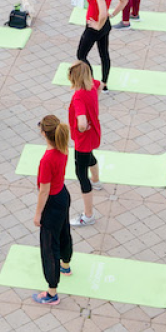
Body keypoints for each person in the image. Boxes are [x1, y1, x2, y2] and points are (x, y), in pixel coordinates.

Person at [31, 114, 74, 305]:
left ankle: (51, 293)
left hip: (52, 203)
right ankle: (66, 265)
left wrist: (38, 213)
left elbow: (44, 191)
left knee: (49, 247)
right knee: (64, 233)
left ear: (43, 133)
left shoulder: (47, 159)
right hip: (63, 196)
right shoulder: (63, 148)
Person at [77, 0, 127, 90]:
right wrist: (113, 14)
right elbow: (124, 0)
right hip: (105, 26)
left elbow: (103, 12)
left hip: (95, 27)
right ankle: (104, 83)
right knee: (104, 54)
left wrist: (97, 25)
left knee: (81, 56)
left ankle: (92, 84)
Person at [67, 61, 103, 227]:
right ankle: (96, 180)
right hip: (94, 133)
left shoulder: (78, 96)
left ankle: (88, 215)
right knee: (90, 157)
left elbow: (81, 123)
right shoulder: (93, 85)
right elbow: (101, 84)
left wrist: (81, 128)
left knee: (81, 174)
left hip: (83, 139)